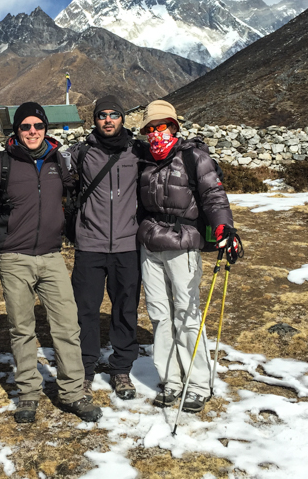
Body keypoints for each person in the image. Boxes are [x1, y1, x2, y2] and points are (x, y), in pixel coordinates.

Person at [0, 102, 102, 423]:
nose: (32, 131)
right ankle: (28, 394)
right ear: (16, 130)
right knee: (22, 329)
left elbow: (74, 192)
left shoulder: (56, 160)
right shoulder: (3, 163)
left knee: (67, 324)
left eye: (38, 126)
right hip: (14, 258)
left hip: (51, 256)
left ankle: (73, 393)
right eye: (26, 126)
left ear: (45, 128)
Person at [136, 100, 236, 413]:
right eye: (150, 128)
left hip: (184, 244)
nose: (155, 133)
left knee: (187, 313)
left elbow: (213, 195)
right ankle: (171, 381)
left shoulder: (194, 156)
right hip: (150, 245)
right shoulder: (144, 161)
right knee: (159, 314)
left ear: (174, 126)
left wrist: (223, 228)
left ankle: (197, 384)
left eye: (161, 126)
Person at [68, 96, 142, 401]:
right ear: (94, 120)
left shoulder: (138, 152)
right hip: (90, 244)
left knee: (125, 309)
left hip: (127, 244)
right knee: (84, 310)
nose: (108, 120)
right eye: (102, 115)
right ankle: (85, 369)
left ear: (122, 118)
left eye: (114, 114)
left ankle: (121, 368)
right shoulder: (82, 153)